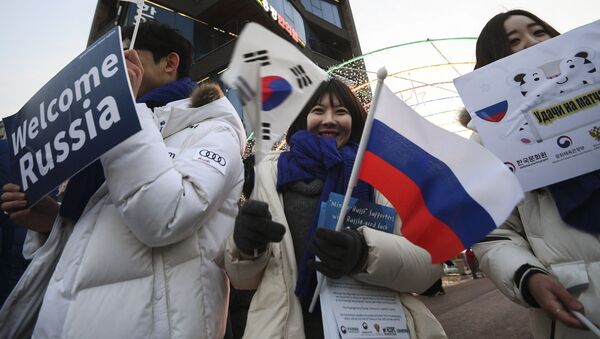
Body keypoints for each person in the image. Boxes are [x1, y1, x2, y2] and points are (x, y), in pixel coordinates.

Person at [0, 22, 245, 338]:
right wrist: (54, 222)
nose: (109, 68)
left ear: (169, 63)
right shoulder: (112, 131)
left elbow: (166, 217)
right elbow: (105, 237)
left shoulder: (214, 130)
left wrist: (122, 109)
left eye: (123, 54)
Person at [224, 78, 447, 339]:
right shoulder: (269, 175)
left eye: (340, 111)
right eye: (318, 110)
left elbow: (428, 269)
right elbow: (243, 279)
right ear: (301, 120)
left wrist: (365, 253)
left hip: (375, 326)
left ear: (355, 120)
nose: (329, 120)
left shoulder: (381, 175)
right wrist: (248, 246)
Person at [470, 10, 600, 339]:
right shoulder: (487, 141)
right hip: (582, 311)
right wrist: (526, 276)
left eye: (538, 32)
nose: (530, 43)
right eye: (513, 41)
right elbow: (493, 233)